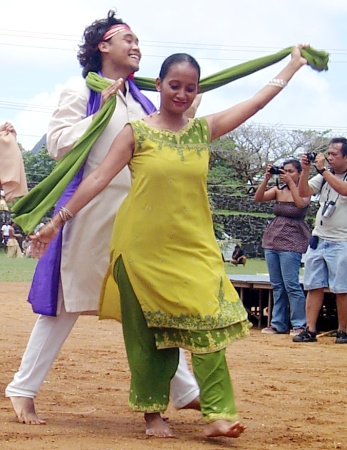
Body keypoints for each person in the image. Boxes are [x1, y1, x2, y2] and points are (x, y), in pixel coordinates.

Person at [31, 46, 309, 439]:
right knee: (150, 338)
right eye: (174, 85)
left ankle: (218, 413)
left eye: (190, 88)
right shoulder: (137, 132)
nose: (181, 94)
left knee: (210, 325)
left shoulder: (203, 130)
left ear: (197, 92)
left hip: (195, 250)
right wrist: (56, 222)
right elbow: (96, 179)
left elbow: (256, 102)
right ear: (158, 84)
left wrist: (293, 65)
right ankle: (152, 414)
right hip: (141, 251)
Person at [5, 10, 200, 426]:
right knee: (63, 305)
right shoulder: (81, 93)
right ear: (102, 47)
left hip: (138, 216)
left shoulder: (143, 99)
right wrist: (101, 109)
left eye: (138, 41)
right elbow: (57, 144)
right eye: (126, 38)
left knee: (150, 302)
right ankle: (22, 390)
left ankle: (186, 392)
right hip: (89, 214)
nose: (136, 46)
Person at [293, 138, 347, 344]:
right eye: (329, 153)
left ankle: (343, 331)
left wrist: (323, 170)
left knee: (342, 288)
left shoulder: (328, 175)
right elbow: (304, 192)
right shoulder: (325, 176)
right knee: (313, 284)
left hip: (343, 240)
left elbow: (343, 190)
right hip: (319, 238)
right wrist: (306, 170)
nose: (330, 157)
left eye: (334, 154)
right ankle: (310, 329)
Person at [254, 159, 311, 336]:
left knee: (291, 284)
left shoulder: (305, 190)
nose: (287, 174)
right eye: (284, 171)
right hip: (273, 240)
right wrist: (267, 178)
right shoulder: (278, 190)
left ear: (300, 173)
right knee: (277, 285)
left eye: (291, 171)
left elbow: (301, 203)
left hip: (292, 240)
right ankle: (278, 322)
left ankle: (299, 324)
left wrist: (291, 184)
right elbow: (258, 198)